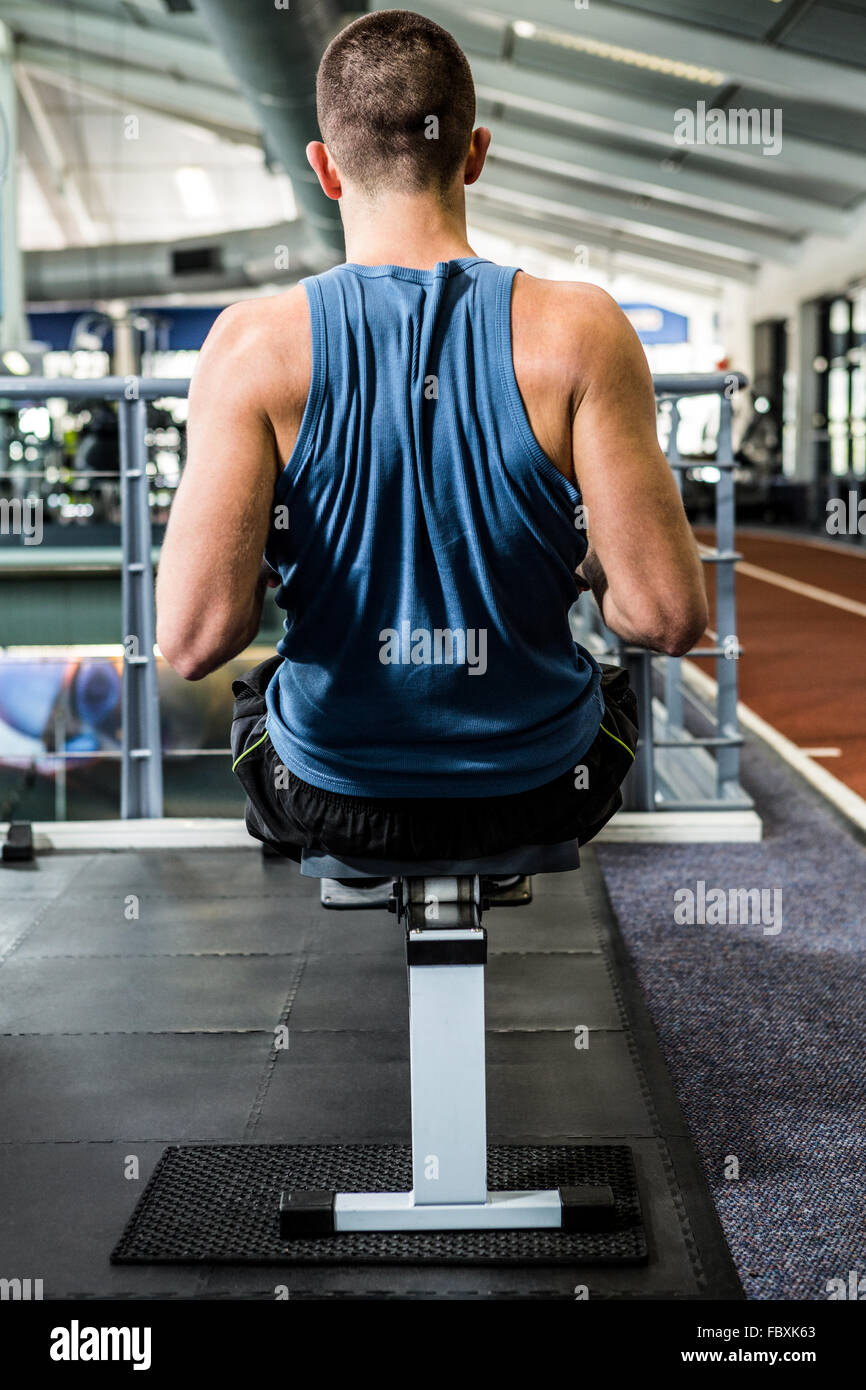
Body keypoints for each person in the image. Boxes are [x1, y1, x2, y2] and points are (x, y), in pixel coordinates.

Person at [155, 10, 707, 864]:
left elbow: (193, 641)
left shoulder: (249, 345)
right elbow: (665, 619)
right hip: (543, 789)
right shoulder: (583, 330)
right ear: (474, 154)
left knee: (262, 690)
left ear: (326, 169)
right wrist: (592, 560)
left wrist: (271, 550)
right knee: (601, 688)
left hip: (332, 796)